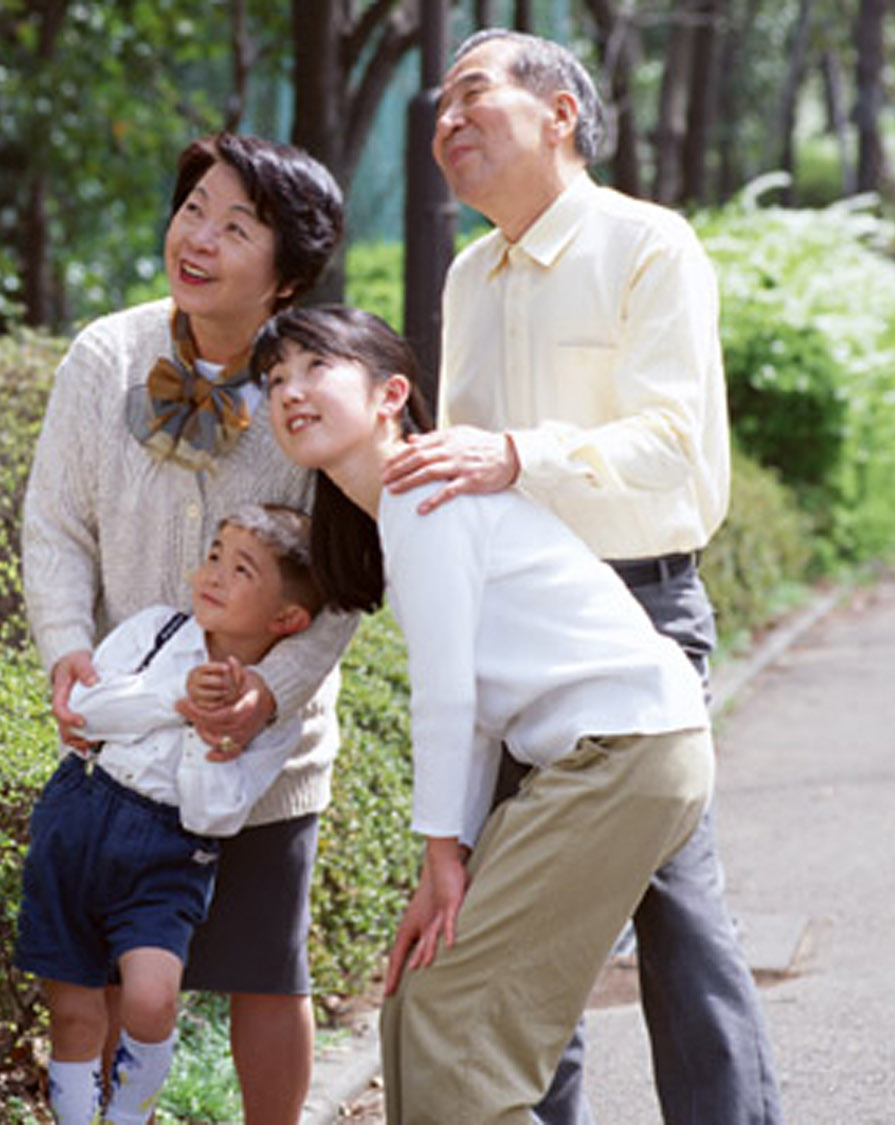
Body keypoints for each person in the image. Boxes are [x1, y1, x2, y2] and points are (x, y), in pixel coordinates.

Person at [382, 28, 783, 1124]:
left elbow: (672, 443)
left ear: (558, 112)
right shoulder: (470, 274)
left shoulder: (645, 245)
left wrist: (519, 454)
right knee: (518, 923)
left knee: (676, 914)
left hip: (637, 617)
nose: (444, 125)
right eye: (435, 115)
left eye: (471, 98)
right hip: (520, 630)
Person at [257, 303, 714, 1123]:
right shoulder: (406, 509)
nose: (290, 390)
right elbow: (471, 715)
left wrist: (442, 856)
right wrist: (448, 861)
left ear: (391, 392)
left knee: (454, 1022)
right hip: (609, 756)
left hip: (623, 751)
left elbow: (447, 696)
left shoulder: (424, 498)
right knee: (417, 997)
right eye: (274, 377)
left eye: (313, 366)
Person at [21, 131, 356, 1123]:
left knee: (264, 969)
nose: (197, 238)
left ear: (288, 274)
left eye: (235, 226)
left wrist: (269, 694)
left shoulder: (313, 387)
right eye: (191, 210)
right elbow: (53, 522)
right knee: (117, 973)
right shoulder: (106, 355)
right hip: (126, 726)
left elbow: (344, 583)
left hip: (258, 748)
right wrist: (65, 651)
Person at [16, 504, 323, 1124]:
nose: (213, 574)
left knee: (152, 999)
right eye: (215, 555)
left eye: (242, 570)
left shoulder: (272, 713)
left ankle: (130, 1117)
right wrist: (176, 700)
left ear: (287, 617)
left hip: (169, 852)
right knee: (74, 1014)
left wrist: (209, 732)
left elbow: (215, 814)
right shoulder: (155, 632)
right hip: (79, 821)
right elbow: (87, 711)